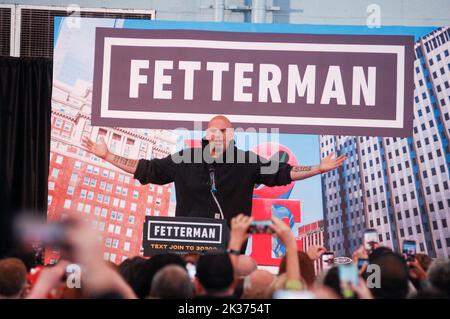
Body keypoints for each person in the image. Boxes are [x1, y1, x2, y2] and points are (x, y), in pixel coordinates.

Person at [82, 115, 347, 225]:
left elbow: (284, 173)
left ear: (231, 136)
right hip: (189, 248)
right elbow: (147, 169)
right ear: (207, 135)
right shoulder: (186, 158)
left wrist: (318, 168)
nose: (218, 134)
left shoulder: (247, 161)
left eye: (224, 130)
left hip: (229, 249)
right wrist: (107, 155)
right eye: (214, 129)